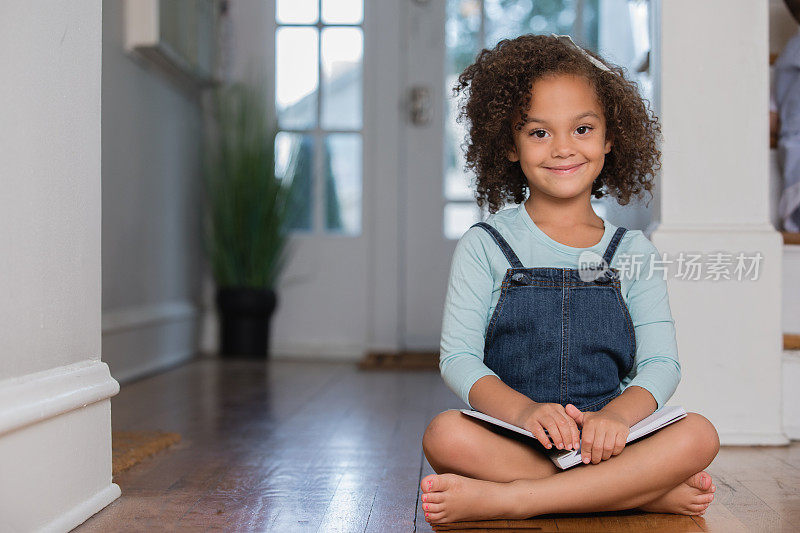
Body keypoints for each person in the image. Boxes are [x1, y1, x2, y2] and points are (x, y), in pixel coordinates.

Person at [419, 34, 720, 525]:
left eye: (582, 129)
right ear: (509, 144)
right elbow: (459, 359)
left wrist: (618, 418)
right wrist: (522, 414)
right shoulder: (485, 245)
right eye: (539, 132)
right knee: (444, 435)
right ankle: (635, 491)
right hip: (520, 439)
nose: (562, 148)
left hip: (613, 442)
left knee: (700, 434)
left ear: (609, 138)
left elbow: (662, 363)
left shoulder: (633, 252)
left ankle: (517, 499)